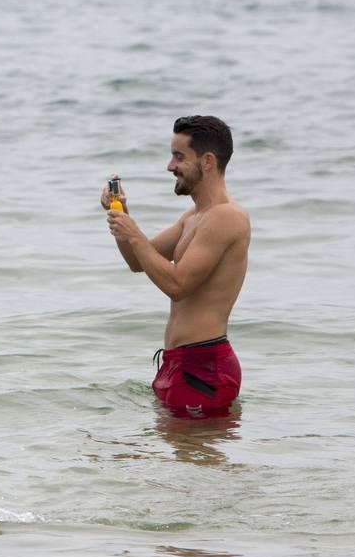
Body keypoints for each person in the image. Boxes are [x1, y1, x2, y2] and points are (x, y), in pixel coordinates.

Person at [103, 115, 251, 418]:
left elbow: (178, 285)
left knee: (191, 448)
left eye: (179, 157)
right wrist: (122, 217)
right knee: (178, 449)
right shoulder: (193, 217)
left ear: (207, 161)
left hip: (203, 365)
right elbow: (138, 261)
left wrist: (134, 233)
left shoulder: (226, 217)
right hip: (179, 363)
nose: (170, 166)